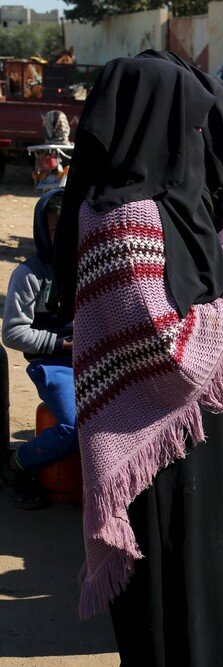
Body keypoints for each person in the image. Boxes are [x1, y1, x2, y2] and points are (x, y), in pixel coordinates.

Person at [51, 56, 223, 666]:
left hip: (201, 437)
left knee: (215, 596)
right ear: (155, 125)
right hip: (155, 442)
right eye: (188, 127)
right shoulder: (120, 217)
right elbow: (168, 351)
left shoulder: (182, 205)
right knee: (174, 607)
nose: (197, 141)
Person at [0, 189, 74, 509]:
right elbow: (13, 332)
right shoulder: (29, 274)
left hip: (92, 356)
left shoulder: (90, 265)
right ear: (44, 232)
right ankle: (18, 463)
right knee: (74, 425)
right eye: (59, 231)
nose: (69, 237)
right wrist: (59, 343)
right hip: (53, 362)